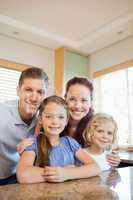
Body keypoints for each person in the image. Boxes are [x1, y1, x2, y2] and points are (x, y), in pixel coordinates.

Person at [17, 95, 100, 183]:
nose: (55, 122)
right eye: (49, 116)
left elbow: (95, 168)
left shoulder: (70, 142)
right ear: (40, 119)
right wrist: (60, 172)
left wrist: (67, 173)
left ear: (66, 121)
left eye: (60, 117)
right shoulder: (32, 143)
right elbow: (23, 174)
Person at [0, 67, 49, 185]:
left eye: (40, 92)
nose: (33, 97)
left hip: (18, 177)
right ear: (18, 91)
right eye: (28, 90)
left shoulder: (44, 119)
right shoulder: (2, 112)